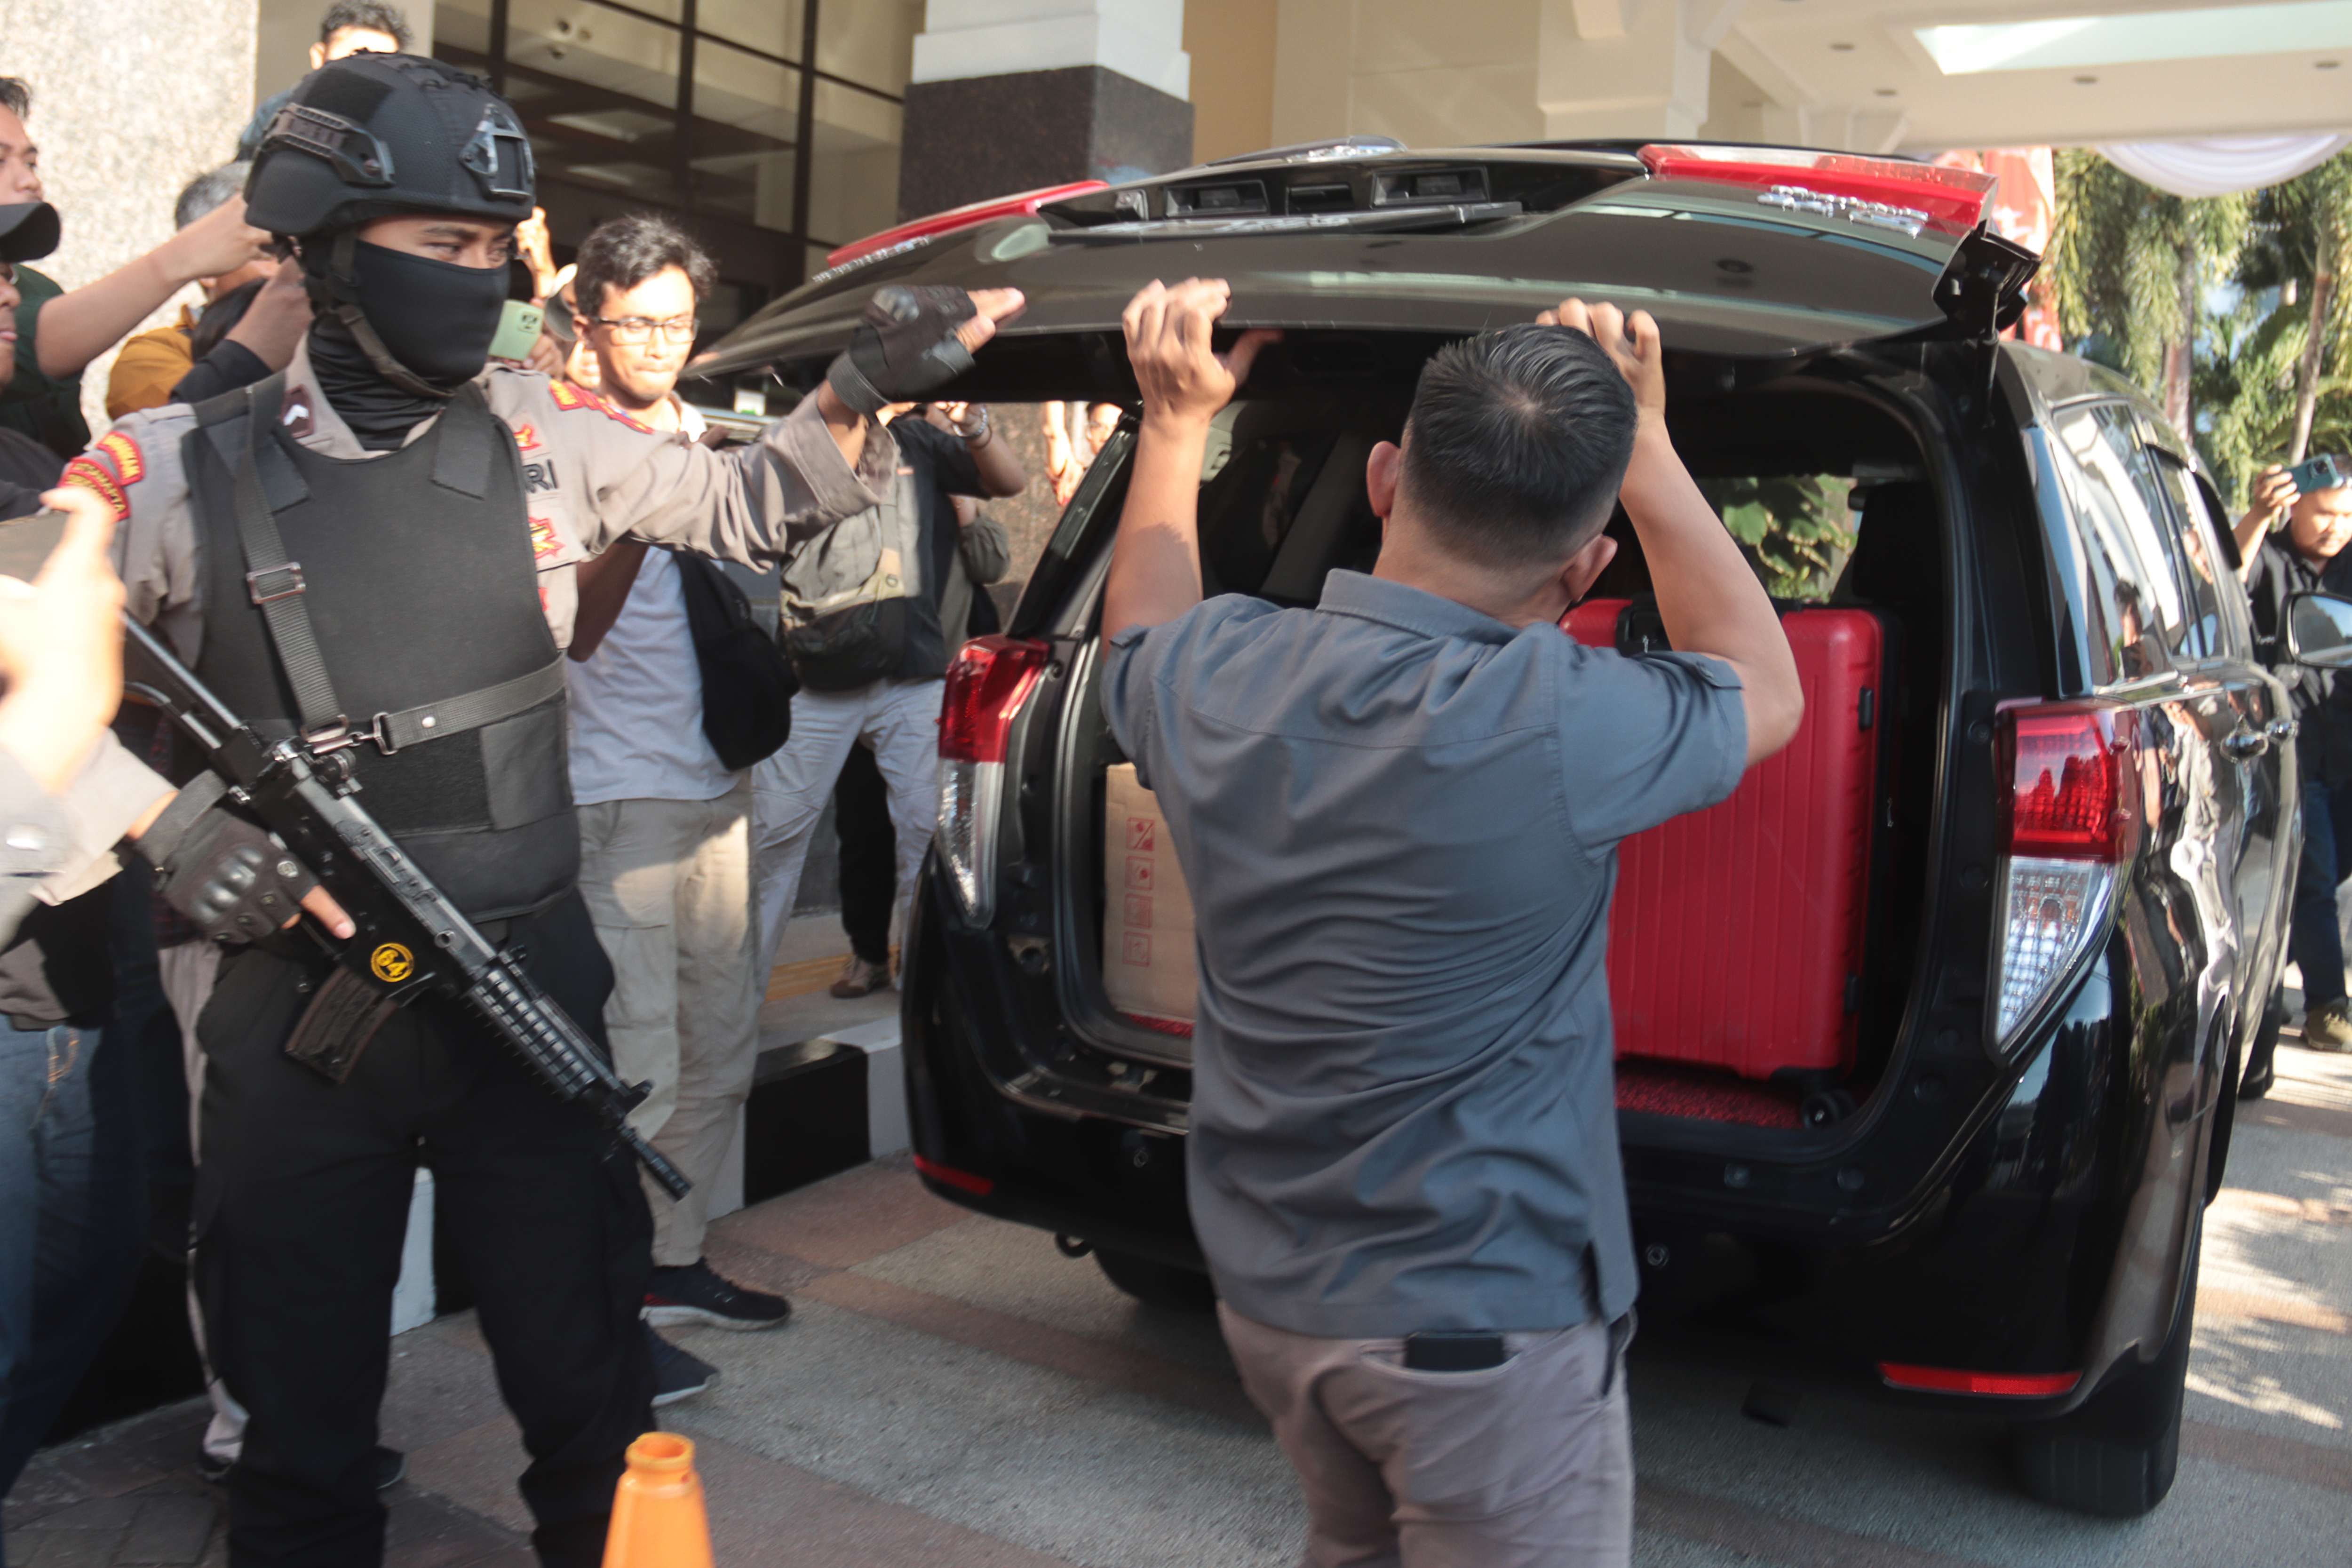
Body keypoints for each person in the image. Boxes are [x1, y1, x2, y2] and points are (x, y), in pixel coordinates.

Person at [89, 52, 1020, 1567]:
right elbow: (27, 674)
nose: (478, 281)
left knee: (590, 1404)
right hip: (298, 1017)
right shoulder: (175, 469)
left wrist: (856, 390)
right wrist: (168, 829)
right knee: (301, 1443)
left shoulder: (542, 433)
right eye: (439, 243)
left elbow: (743, 504)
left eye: (491, 248)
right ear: (327, 250)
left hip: (525, 986)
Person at [1099, 279, 1803, 1566]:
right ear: (1588, 568)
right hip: (1478, 1337)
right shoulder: (1566, 720)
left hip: (1271, 1297)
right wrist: (1649, 446)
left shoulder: (1217, 672)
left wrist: (1176, 424)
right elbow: (1765, 684)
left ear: (1383, 478)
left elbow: (1138, 625)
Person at [558, 213, 777, 1401]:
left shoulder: (705, 437)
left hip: (717, 786)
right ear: (587, 320)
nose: (657, 344)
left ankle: (672, 1262)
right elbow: (568, 626)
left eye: (678, 323)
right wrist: (645, 509)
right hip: (614, 795)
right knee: (636, 1060)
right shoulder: (551, 438)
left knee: (719, 1047)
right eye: (635, 322)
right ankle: (608, 1297)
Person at [0, 77, 273, 460]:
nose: (30, 181)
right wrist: (184, 256)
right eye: (0, 161)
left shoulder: (40, 290)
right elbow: (44, 341)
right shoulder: (154, 355)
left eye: (31, 163)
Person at [829, 468, 1010, 998]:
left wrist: (964, 508)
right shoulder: (862, 499)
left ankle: (918, 956)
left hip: (932, 692)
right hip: (860, 684)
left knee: (926, 828)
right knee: (861, 829)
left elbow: (993, 564)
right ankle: (867, 954)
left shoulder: (958, 499)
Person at [2235, 460, 2352, 1069]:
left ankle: (2262, 975)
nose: (2336, 527)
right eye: (2326, 514)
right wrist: (2258, 514)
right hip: (2289, 746)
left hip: (2346, 750)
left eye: (2348, 516)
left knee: (2322, 877)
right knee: (2313, 874)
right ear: (2297, 505)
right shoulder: (2270, 554)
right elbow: (2224, 573)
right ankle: (2327, 1006)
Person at [105, 165, 295, 419]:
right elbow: (190, 426)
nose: (291, 268)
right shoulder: (151, 359)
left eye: (302, 248)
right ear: (206, 268)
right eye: (271, 251)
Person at [233, 0, 411, 160]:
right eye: (357, 57)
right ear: (319, 56)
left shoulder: (403, 126)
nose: (369, 71)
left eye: (384, 63)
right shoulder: (277, 111)